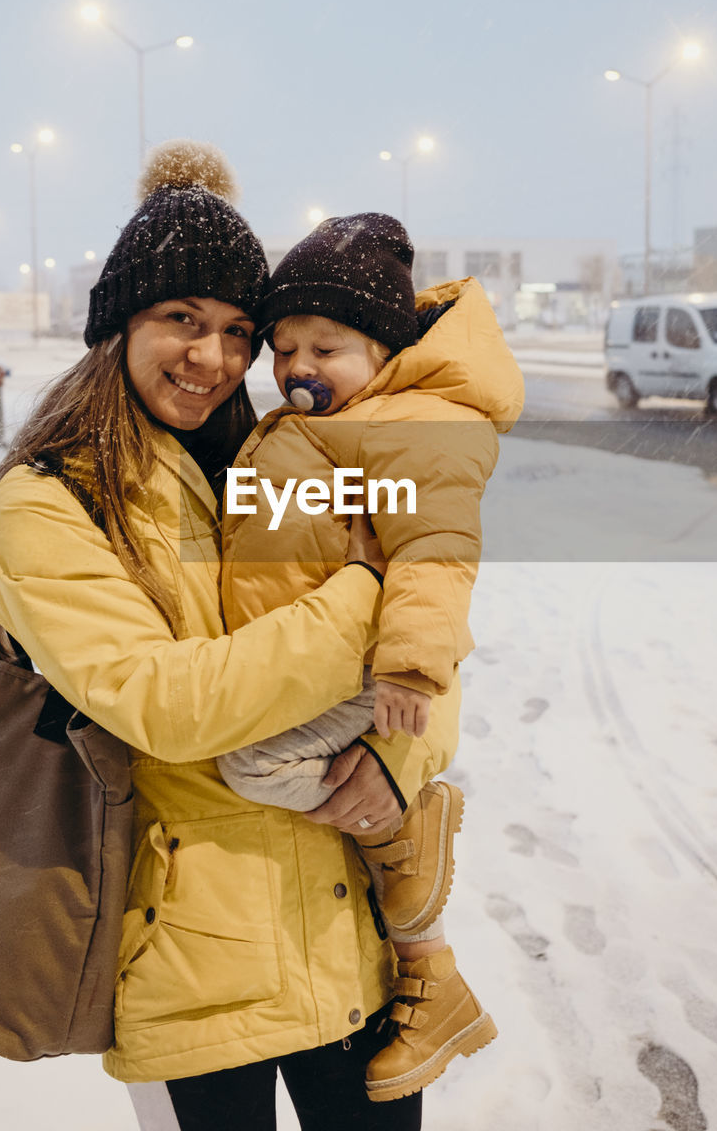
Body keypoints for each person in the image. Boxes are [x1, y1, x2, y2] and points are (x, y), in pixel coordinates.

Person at [0, 142, 457, 1130]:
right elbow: (166, 702)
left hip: (345, 942)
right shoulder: (49, 498)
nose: (214, 357)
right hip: (190, 967)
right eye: (180, 319)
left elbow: (428, 650)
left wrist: (399, 755)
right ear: (118, 325)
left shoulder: (270, 462)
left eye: (240, 329)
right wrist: (367, 585)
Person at [218, 213, 525, 1102]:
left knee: (254, 760)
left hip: (366, 672)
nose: (298, 367)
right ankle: (432, 978)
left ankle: (402, 829)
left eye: (327, 346)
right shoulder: (344, 423)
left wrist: (409, 668)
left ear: (385, 352)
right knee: (320, 800)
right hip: (310, 665)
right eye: (282, 347)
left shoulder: (412, 424)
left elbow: (436, 551)